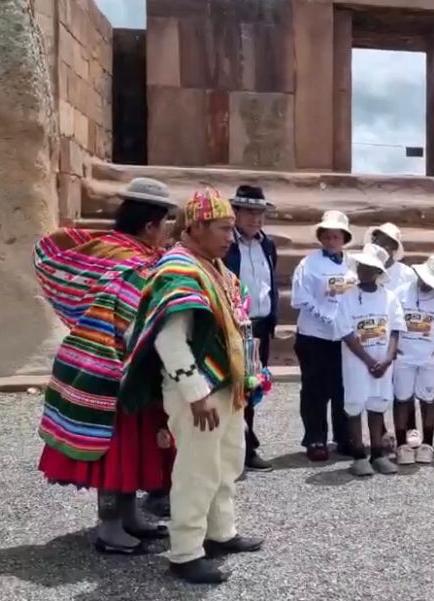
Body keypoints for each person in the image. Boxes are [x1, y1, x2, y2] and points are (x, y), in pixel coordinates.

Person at [119, 187, 264, 585]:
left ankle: (220, 532)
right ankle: (185, 552)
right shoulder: (179, 270)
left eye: (233, 230)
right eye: (223, 229)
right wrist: (196, 394)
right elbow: (169, 340)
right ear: (196, 226)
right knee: (196, 470)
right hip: (199, 392)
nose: (230, 238)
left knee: (227, 462)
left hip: (225, 387)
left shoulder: (214, 267)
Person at [31, 177, 178, 554]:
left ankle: (129, 516)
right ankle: (110, 527)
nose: (168, 233)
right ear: (149, 226)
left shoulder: (108, 250)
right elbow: (131, 315)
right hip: (111, 367)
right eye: (165, 224)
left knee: (134, 446)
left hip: (125, 366)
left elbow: (54, 245)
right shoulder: (132, 262)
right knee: (114, 447)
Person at [290, 210, 357, 462]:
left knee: (343, 388)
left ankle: (344, 436)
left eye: (336, 236)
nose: (331, 240)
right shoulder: (309, 264)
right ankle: (315, 438)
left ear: (344, 238)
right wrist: (325, 316)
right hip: (314, 335)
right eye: (326, 236)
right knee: (315, 389)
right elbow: (300, 297)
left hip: (344, 337)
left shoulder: (353, 264)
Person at [335, 243, 405, 476]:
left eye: (370, 267)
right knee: (355, 405)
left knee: (377, 404)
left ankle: (377, 453)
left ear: (378, 272)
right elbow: (345, 332)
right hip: (357, 361)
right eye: (361, 266)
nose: (364, 270)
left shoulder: (390, 298)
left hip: (383, 362)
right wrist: (367, 359)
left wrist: (387, 358)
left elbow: (395, 330)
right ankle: (358, 454)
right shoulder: (347, 297)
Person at [223, 185, 277, 473]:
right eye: (250, 213)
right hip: (234, 325)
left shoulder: (267, 245)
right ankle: (231, 449)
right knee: (231, 387)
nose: (256, 219)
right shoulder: (227, 245)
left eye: (260, 213)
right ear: (237, 213)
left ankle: (247, 446)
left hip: (260, 325)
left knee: (252, 387)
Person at [392, 255, 434, 465]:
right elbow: (391, 322)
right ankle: (402, 445)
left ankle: (426, 445)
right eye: (424, 279)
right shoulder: (402, 293)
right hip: (404, 356)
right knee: (402, 399)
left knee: (428, 400)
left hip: (429, 358)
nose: (426, 284)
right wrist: (394, 348)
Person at [366, 222, 415, 291]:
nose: (378, 246)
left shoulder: (407, 274)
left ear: (394, 247)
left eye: (383, 243)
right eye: (375, 241)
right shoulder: (364, 269)